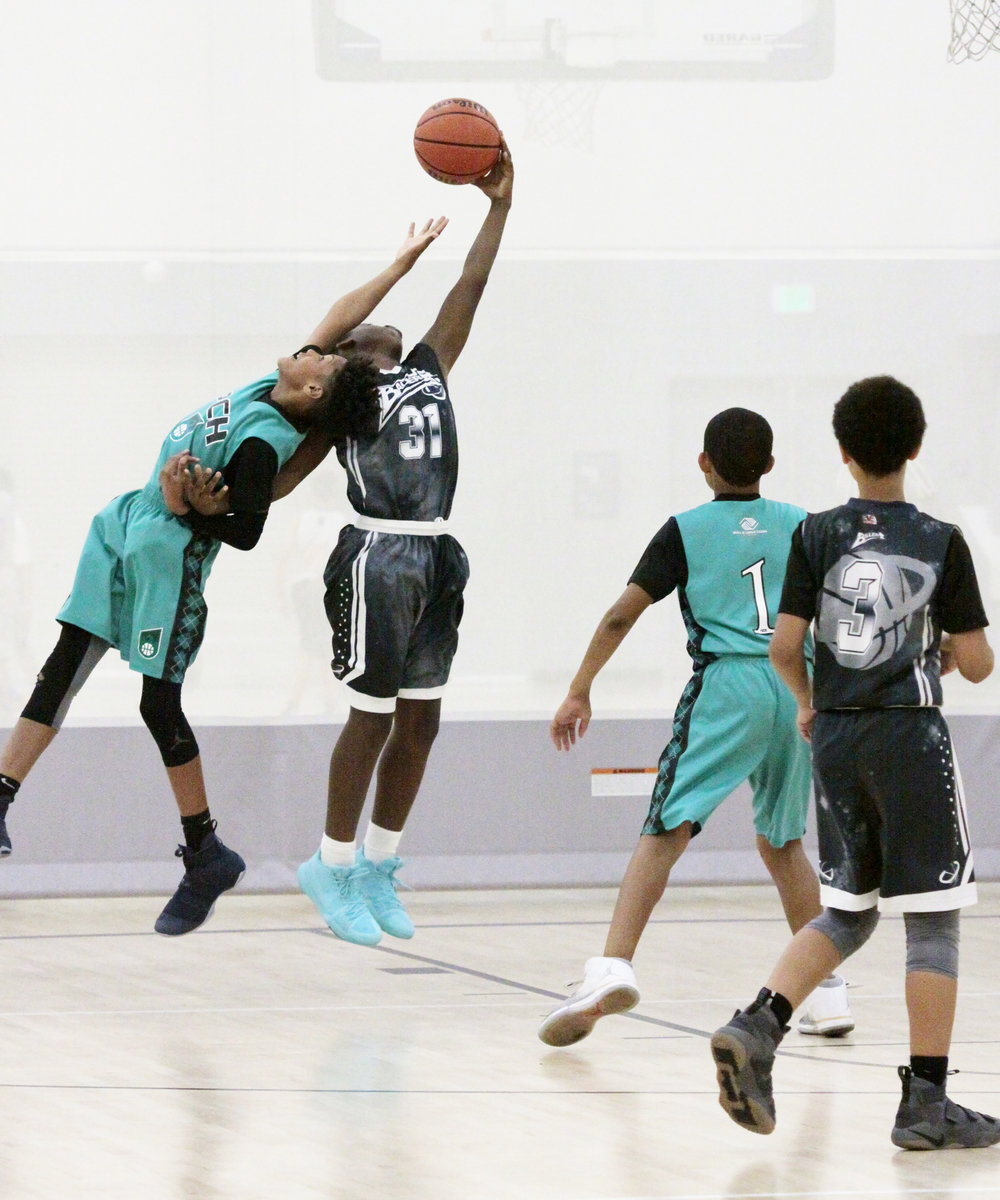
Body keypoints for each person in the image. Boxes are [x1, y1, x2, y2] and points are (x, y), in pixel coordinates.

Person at [0, 221, 446, 934]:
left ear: (312, 391)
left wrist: (191, 508)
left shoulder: (272, 443)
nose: (316, 350)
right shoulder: (280, 384)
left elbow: (248, 525)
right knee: (58, 672)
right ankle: (2, 795)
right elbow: (338, 316)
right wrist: (398, 265)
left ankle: (205, 850)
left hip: (169, 558)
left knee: (156, 706)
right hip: (122, 529)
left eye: (326, 361)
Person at [710, 375, 999, 1150]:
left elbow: (782, 647)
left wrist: (808, 703)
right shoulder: (939, 539)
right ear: (915, 446)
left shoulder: (815, 535)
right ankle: (926, 1102)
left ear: (842, 454)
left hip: (836, 737)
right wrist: (948, 644)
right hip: (910, 737)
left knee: (848, 910)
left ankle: (760, 1024)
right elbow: (976, 663)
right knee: (932, 922)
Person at [538, 409, 853, 1047]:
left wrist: (580, 687)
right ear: (769, 465)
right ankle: (827, 993)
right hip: (796, 686)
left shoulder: (684, 530)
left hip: (727, 685)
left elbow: (621, 616)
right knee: (783, 842)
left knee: (666, 827)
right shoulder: (804, 526)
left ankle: (611, 966)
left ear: (703, 463)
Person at [294, 147, 513, 948]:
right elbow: (283, 476)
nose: (382, 324)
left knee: (422, 722)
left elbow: (472, 286)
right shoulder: (339, 400)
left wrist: (499, 209)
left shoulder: (424, 366)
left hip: (436, 555)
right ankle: (331, 862)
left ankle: (380, 864)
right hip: (376, 555)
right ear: (347, 351)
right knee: (372, 719)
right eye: (361, 328)